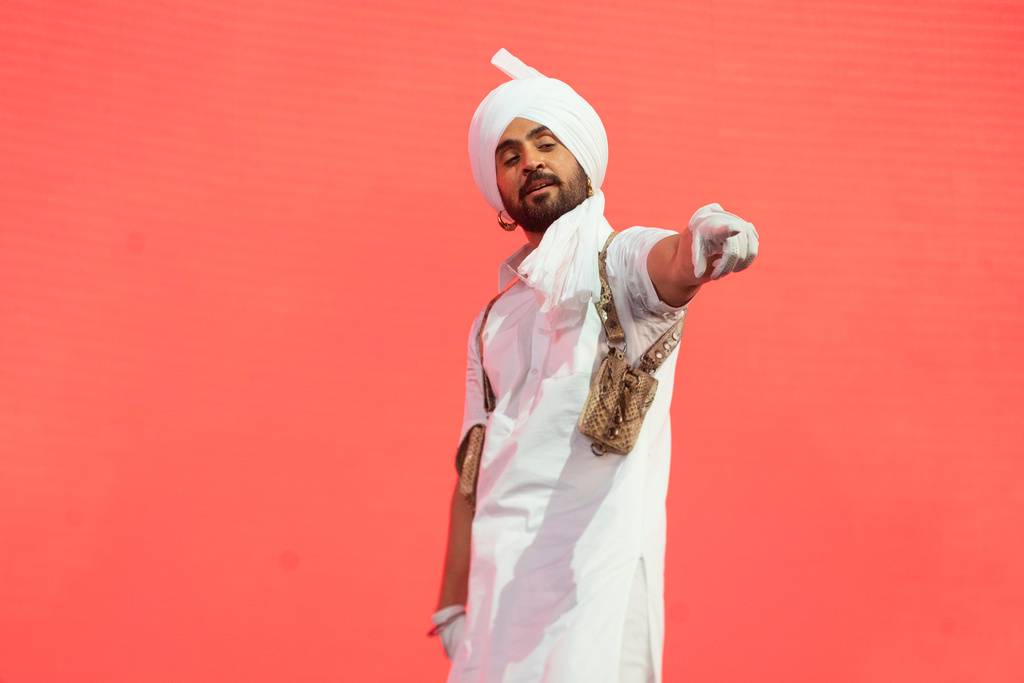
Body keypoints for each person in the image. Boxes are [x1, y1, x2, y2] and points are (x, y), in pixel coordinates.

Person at [430, 49, 759, 683]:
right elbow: (473, 469)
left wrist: (706, 238)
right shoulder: (491, 324)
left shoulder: (618, 265)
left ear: (582, 157)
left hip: (594, 585)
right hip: (498, 602)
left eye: (546, 143)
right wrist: (452, 602)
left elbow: (670, 262)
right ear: (497, 193)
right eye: (510, 155)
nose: (531, 162)